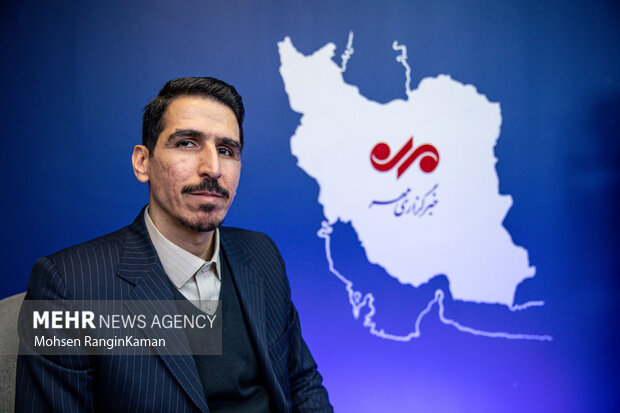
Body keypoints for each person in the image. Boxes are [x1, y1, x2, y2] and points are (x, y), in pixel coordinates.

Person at [16, 77, 333, 412]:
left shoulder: (261, 254)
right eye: (187, 143)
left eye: (226, 150)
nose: (212, 168)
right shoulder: (69, 286)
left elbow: (302, 383)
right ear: (143, 162)